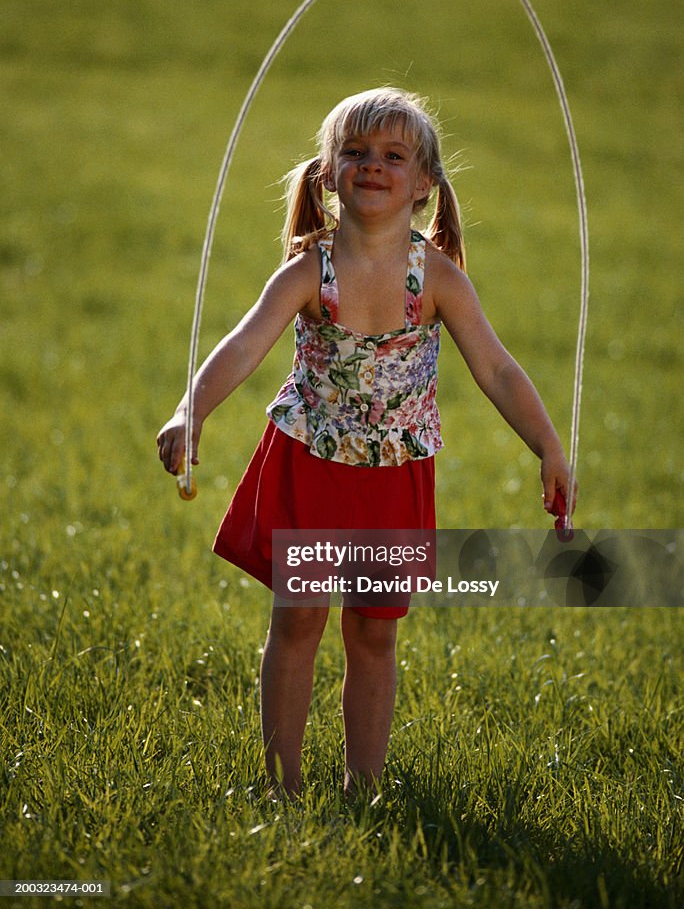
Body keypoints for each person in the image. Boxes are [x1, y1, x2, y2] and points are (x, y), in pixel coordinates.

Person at [157, 86, 576, 799]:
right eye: (354, 152)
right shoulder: (307, 272)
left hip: (392, 476)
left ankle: (365, 786)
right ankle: (282, 783)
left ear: (424, 186)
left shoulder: (438, 279)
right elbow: (244, 344)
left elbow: (497, 368)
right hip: (310, 465)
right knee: (298, 623)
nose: (371, 165)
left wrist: (547, 444)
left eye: (392, 155)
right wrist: (190, 411)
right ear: (327, 175)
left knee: (376, 635)